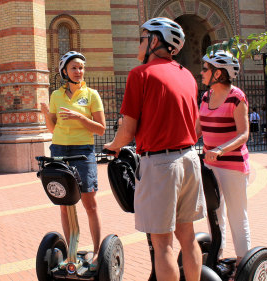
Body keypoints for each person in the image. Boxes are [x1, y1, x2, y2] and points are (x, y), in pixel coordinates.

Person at [103, 18, 206, 281]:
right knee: (188, 237)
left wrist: (113, 146)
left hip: (161, 164)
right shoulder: (187, 76)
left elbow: (127, 131)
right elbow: (197, 128)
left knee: (163, 245)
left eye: (143, 37)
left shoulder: (140, 74)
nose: (139, 43)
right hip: (190, 158)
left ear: (155, 41)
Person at [41, 51, 106, 270]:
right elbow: (53, 128)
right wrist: (45, 115)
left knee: (90, 202)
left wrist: (80, 117)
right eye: (74, 68)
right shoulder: (56, 96)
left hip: (82, 151)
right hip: (59, 149)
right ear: (64, 72)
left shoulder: (91, 95)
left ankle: (97, 251)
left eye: (81, 68)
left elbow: (101, 128)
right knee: (64, 202)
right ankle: (71, 252)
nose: (79, 71)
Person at [197, 50, 251, 265]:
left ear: (218, 73)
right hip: (210, 165)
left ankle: (243, 262)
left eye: (205, 69)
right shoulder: (205, 96)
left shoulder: (236, 97)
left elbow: (244, 133)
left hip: (233, 165)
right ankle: (216, 256)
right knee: (214, 212)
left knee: (237, 215)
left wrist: (220, 150)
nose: (201, 72)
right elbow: (197, 129)